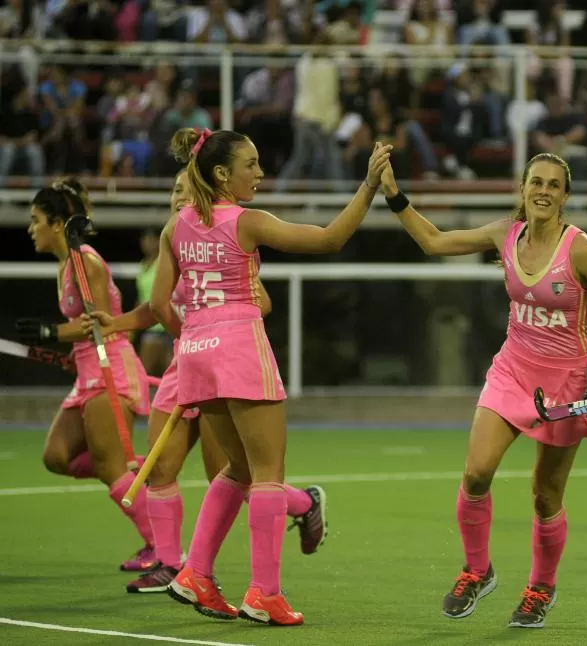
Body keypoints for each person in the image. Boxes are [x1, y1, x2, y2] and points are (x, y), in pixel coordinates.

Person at [379, 152, 587, 629]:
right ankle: (477, 570)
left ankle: (541, 587)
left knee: (545, 495)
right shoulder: (506, 233)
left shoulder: (581, 250)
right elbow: (434, 242)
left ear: (565, 196)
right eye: (535, 182)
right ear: (523, 189)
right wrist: (394, 196)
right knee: (476, 472)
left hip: (566, 384)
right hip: (512, 370)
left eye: (553, 185)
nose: (543, 191)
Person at [151, 127, 391, 625]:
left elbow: (159, 304)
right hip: (238, 344)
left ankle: (196, 572)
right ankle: (264, 593)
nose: (260, 173)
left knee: (235, 470)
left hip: (194, 349)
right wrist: (368, 186)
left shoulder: (175, 227)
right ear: (222, 174)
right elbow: (330, 238)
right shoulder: (247, 221)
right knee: (266, 475)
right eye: (251, 165)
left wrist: (194, 335)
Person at [84, 170, 328, 594]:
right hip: (188, 362)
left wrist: (203, 335)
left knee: (232, 473)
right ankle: (169, 563)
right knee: (160, 466)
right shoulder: (176, 237)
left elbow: (261, 301)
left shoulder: (219, 239)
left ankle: (303, 505)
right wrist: (119, 323)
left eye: (184, 189)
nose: (178, 196)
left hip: (212, 359)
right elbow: (155, 307)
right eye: (173, 189)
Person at [15, 178, 156, 572]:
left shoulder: (85, 261)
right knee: (56, 456)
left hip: (110, 366)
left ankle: (163, 549)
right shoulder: (64, 266)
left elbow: (96, 324)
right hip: (87, 370)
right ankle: (135, 469)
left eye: (35, 220)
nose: (31, 229)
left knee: (109, 466)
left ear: (58, 224)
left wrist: (49, 333)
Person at [135, 226, 173, 376]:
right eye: (145, 240)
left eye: (151, 240)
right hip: (150, 325)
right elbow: (141, 298)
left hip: (165, 326)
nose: (147, 243)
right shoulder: (143, 265)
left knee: (146, 374)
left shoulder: (164, 263)